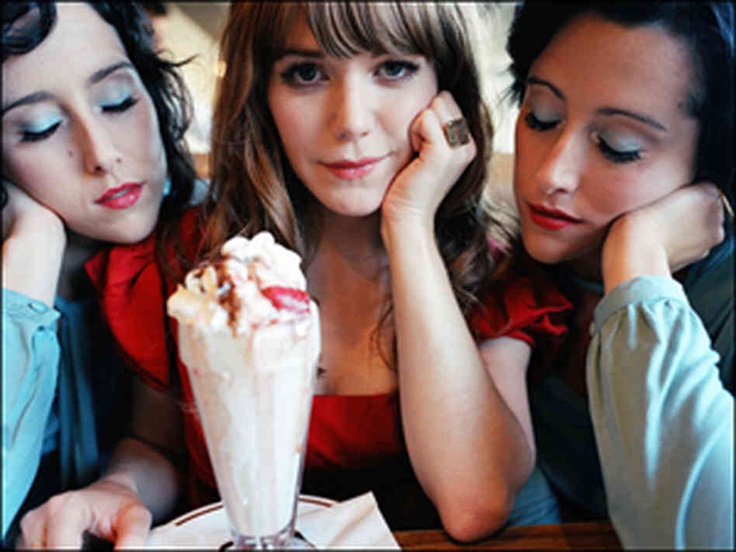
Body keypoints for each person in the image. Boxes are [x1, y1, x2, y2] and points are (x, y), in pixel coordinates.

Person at [17, 3, 572, 548]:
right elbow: (155, 445)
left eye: (393, 68)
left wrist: (408, 223)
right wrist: (117, 490)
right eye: (306, 73)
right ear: (262, 91)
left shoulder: (487, 272)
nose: (351, 120)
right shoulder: (194, 261)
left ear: (444, 90)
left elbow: (475, 503)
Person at [504, 2, 734, 548]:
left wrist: (638, 263)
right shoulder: (500, 268)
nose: (551, 174)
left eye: (618, 147)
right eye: (540, 116)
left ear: (710, 166)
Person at [1, 1, 198, 545]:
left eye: (118, 100)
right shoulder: (19, 269)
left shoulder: (213, 245)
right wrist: (29, 258)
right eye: (39, 130)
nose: (103, 154)